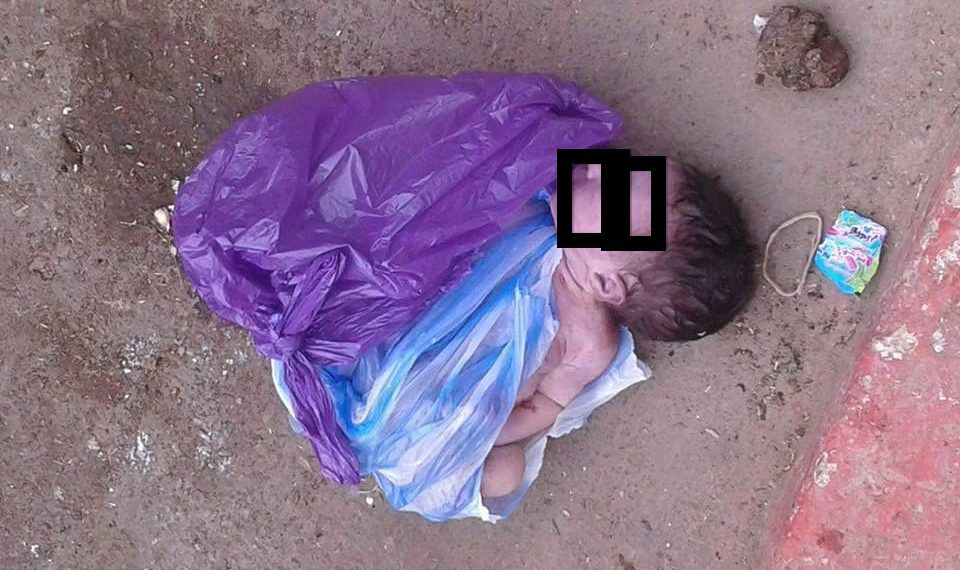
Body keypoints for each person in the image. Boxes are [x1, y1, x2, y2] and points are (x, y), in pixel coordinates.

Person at [481, 159, 754, 498]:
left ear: (607, 284)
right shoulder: (539, 233)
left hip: (475, 403)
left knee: (506, 473)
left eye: (611, 192)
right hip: (440, 338)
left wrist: (490, 433)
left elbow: (549, 401)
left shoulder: (591, 345)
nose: (596, 166)